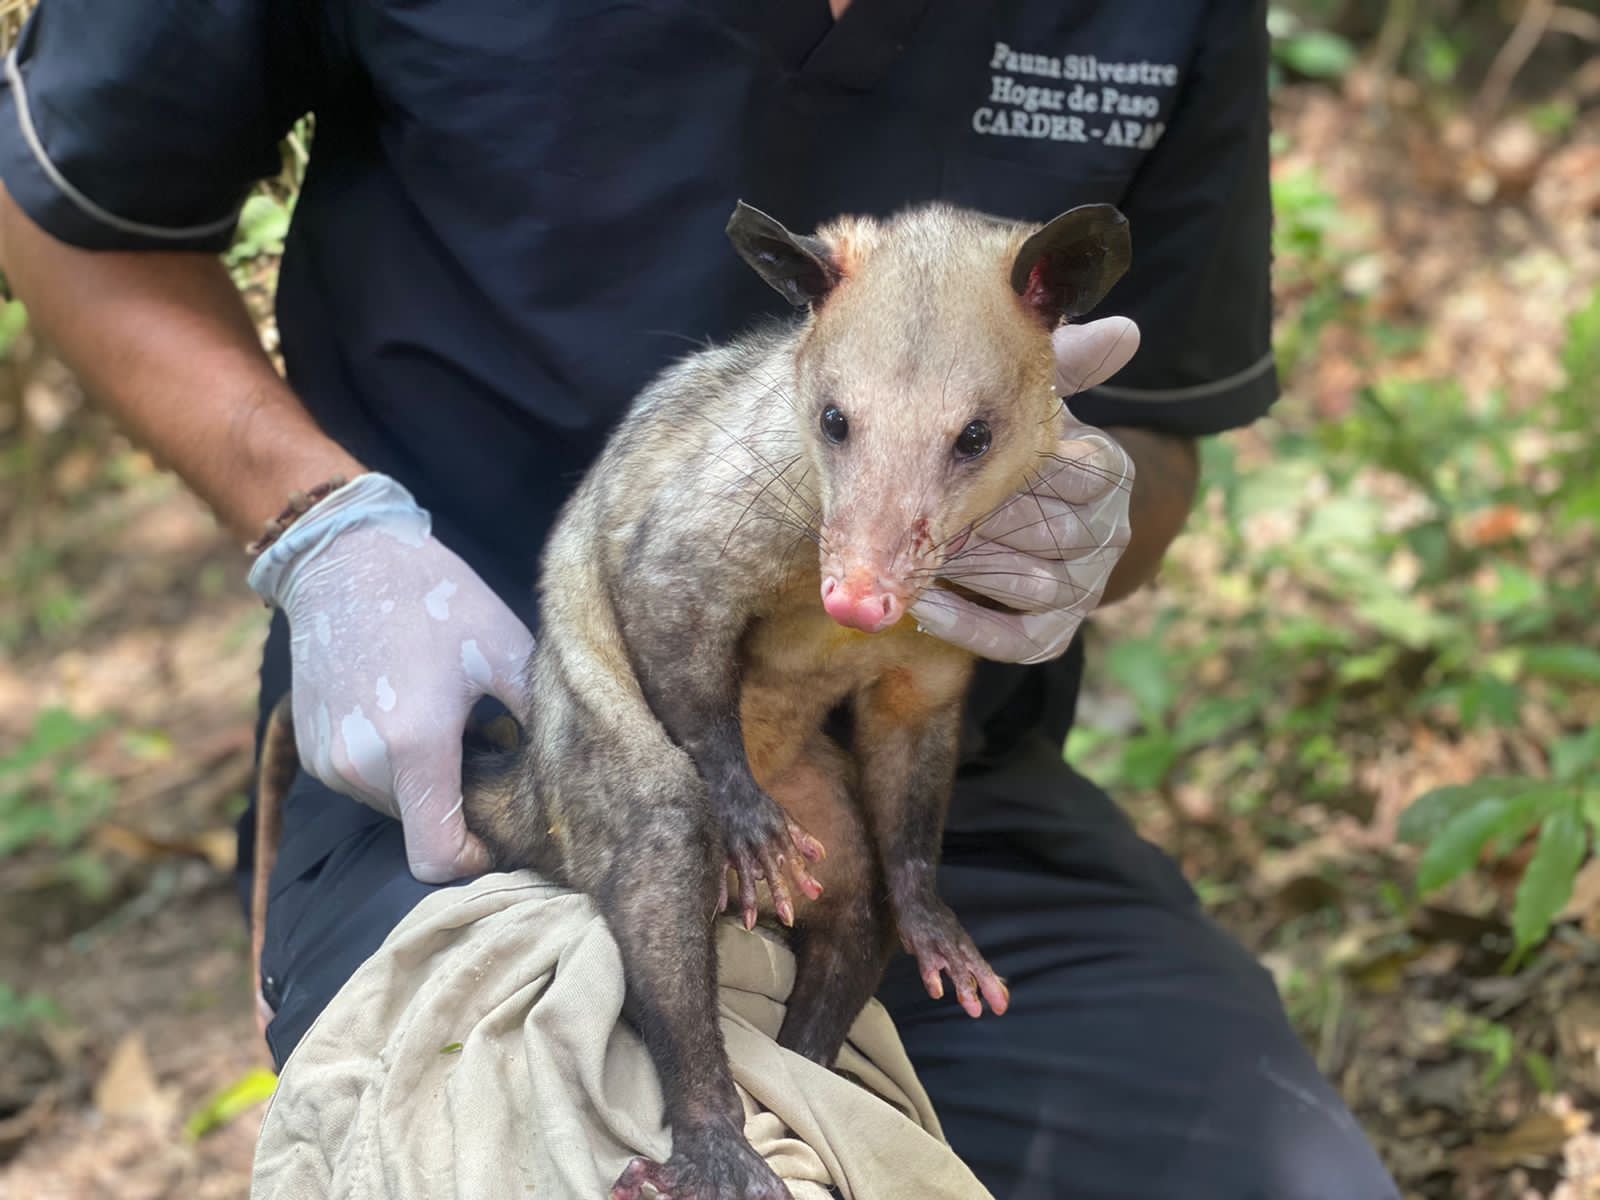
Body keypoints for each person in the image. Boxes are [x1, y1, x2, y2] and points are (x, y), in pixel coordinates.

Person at [0, 1, 1400, 1196]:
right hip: (486, 732)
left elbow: (1155, 431)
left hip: (937, 773)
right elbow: (77, 216)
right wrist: (322, 529)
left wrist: (1076, 517)